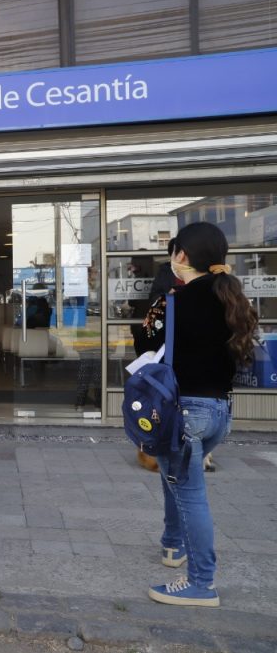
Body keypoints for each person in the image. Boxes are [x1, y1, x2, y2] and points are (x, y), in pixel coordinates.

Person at [134, 222, 257, 607]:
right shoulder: (231, 297)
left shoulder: (173, 301)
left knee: (190, 495)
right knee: (175, 476)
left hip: (183, 411)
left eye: (174, 251)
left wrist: (158, 307)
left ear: (181, 256)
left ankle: (201, 583)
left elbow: (143, 343)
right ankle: (173, 545)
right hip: (218, 412)